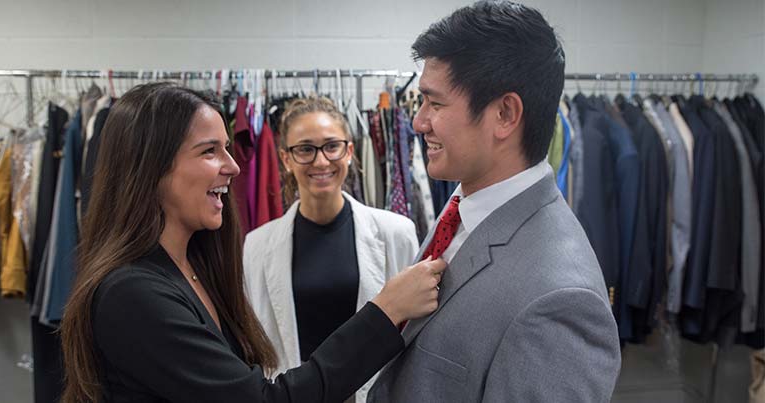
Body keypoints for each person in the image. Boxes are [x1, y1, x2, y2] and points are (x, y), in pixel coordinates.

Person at [59, 82, 446, 403]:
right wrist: (386, 309)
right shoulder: (133, 293)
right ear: (152, 167)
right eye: (210, 151)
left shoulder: (196, 268)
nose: (234, 165)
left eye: (227, 147)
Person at [367, 2, 621, 402]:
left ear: (504, 114)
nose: (418, 122)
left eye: (435, 103)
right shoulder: (464, 203)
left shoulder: (561, 301)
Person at [243, 97, 418, 403]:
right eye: (306, 149)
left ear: (349, 151)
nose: (321, 161)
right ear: (286, 159)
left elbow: (412, 335)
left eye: (331, 146)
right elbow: (255, 343)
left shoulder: (396, 233)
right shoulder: (257, 245)